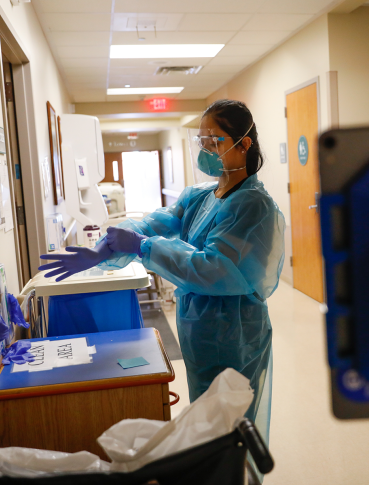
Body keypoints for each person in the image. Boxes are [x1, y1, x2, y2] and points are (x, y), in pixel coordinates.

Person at [39, 99, 285, 441]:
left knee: (232, 429)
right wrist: (103, 250)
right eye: (201, 141)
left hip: (234, 333)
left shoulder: (253, 205)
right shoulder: (203, 196)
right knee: (205, 425)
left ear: (243, 144)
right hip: (200, 329)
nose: (206, 150)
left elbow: (214, 270)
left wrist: (142, 247)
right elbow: (156, 223)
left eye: (214, 141)